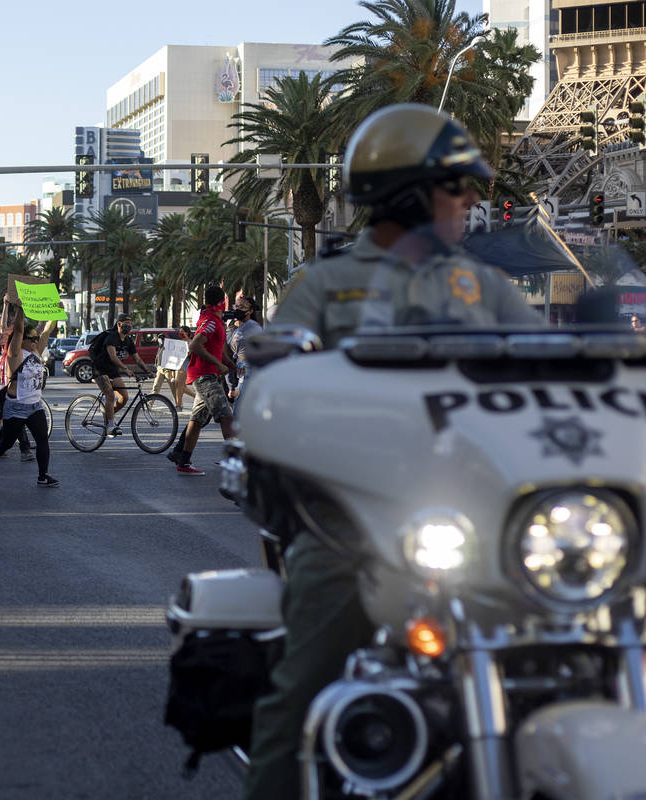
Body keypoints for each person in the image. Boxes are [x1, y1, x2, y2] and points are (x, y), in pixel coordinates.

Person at [241, 104, 542, 800]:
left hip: (487, 519)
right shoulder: (326, 285)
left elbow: (548, 368)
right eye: (455, 186)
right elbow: (272, 384)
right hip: (357, 522)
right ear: (408, 192)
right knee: (302, 689)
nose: (471, 200)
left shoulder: (482, 284)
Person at [0, 305, 58, 487]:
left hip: (35, 405)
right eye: (31, 338)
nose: (35, 341)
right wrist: (21, 310)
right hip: (16, 406)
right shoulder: (14, 354)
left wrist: (54, 311)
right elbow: (19, 330)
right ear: (21, 339)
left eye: (36, 339)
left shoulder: (35, 350)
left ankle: (43, 476)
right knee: (5, 443)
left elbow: (48, 329)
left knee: (42, 440)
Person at [166, 287, 235, 476]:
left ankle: (183, 460)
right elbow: (196, 344)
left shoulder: (213, 320)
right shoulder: (211, 321)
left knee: (196, 421)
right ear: (222, 302)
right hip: (205, 376)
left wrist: (229, 364)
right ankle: (235, 462)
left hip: (206, 375)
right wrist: (218, 364)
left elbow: (217, 349)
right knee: (226, 416)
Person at [93, 313, 150, 435]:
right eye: (127, 324)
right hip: (100, 369)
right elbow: (113, 356)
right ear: (119, 324)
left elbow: (137, 359)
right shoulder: (111, 337)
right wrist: (125, 369)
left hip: (113, 370)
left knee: (124, 397)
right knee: (110, 395)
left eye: (131, 324)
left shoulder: (128, 341)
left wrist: (148, 371)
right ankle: (111, 424)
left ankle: (108, 417)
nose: (129, 326)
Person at [227, 297, 264, 415]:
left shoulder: (253, 328)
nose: (238, 310)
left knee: (238, 412)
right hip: (240, 373)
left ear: (251, 311)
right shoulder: (237, 327)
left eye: (242, 307)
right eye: (236, 307)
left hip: (249, 372)